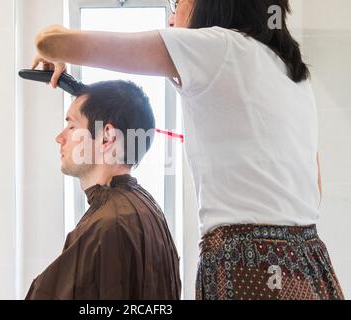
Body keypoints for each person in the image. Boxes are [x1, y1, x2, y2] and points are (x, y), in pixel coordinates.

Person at [30, 0, 344, 300]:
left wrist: (57, 50)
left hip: (250, 270)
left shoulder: (218, 46)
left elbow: (50, 41)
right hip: (313, 263)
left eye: (177, 2)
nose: (173, 15)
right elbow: (313, 187)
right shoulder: (294, 74)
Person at [25, 80, 181, 300]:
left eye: (71, 127)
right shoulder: (149, 209)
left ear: (107, 137)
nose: (59, 138)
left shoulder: (106, 226)